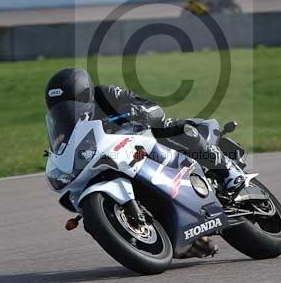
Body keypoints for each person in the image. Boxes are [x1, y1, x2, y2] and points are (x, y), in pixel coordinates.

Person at [45, 68, 247, 258]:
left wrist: (136, 111)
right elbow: (62, 145)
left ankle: (227, 171)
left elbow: (152, 108)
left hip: (144, 140)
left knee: (179, 130)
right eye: (60, 109)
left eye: (72, 104)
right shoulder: (63, 125)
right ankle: (174, 240)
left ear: (84, 95)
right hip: (114, 160)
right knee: (89, 220)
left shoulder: (106, 95)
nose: (67, 112)